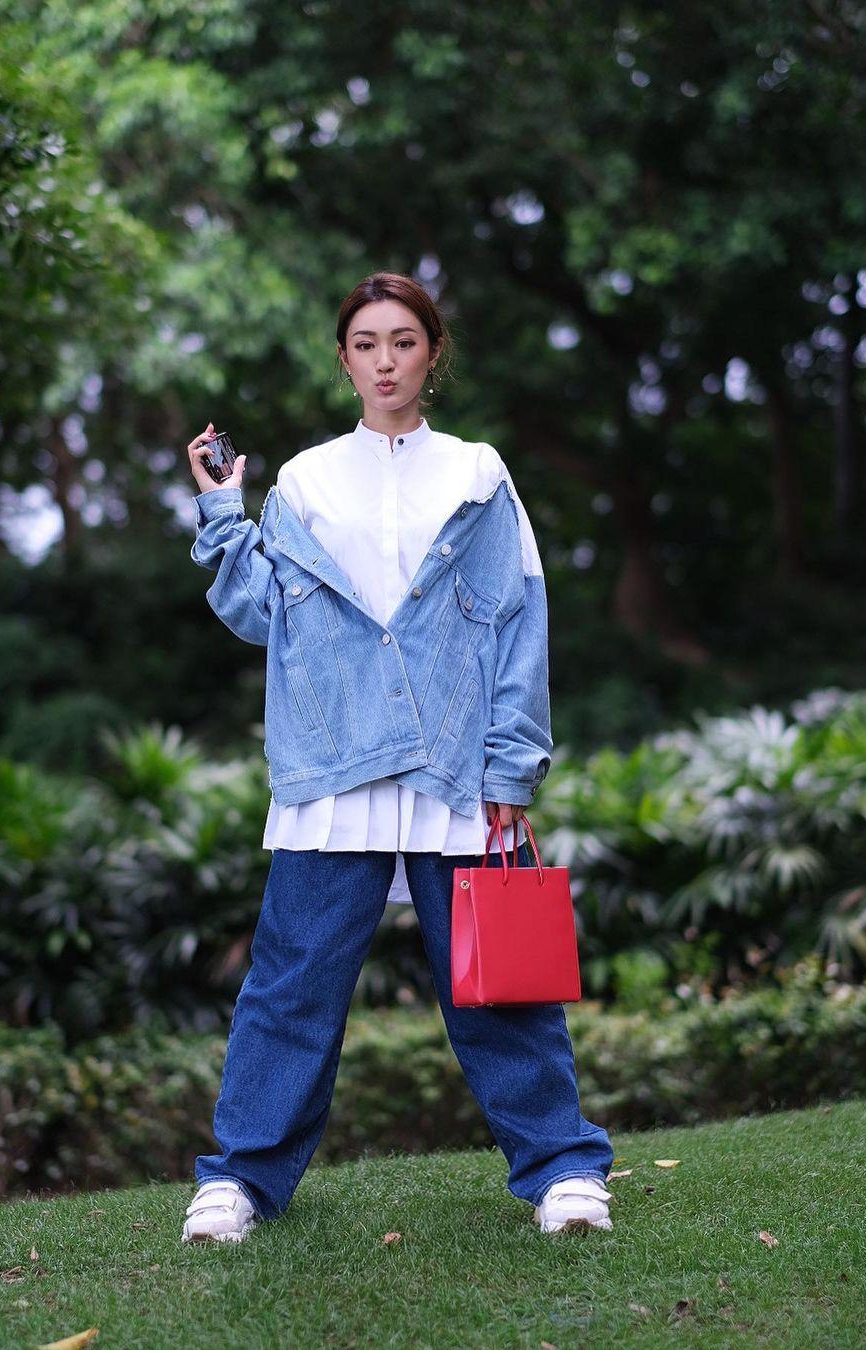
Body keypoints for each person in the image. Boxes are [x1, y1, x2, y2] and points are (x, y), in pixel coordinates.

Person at [181, 271, 614, 1244]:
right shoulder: (303, 481)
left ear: (433, 353)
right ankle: (239, 1181)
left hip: (457, 768)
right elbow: (260, 617)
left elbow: (519, 619)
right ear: (344, 360)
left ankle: (562, 1170)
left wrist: (511, 767)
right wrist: (223, 511)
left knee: (502, 982)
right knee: (291, 988)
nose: (386, 362)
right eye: (367, 344)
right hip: (331, 769)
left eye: (404, 342)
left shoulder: (478, 473)